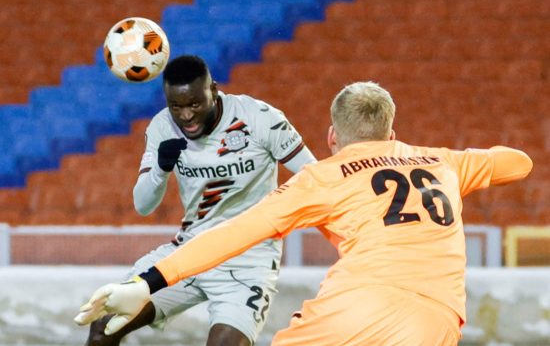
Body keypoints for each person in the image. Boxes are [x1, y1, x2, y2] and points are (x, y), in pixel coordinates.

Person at [75, 81, 533, 346]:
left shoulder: (323, 177)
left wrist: (146, 282)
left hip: (357, 306)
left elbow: (234, 234)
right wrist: (456, 157)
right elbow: (518, 161)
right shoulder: (442, 162)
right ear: (393, 130)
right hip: (438, 318)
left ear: (332, 136)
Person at [79, 55, 316, 346]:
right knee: (103, 329)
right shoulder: (162, 128)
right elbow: (143, 205)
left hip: (248, 261)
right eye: (176, 106)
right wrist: (161, 171)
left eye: (194, 104)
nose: (186, 116)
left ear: (213, 90)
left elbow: (315, 178)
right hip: (189, 252)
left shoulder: (259, 118)